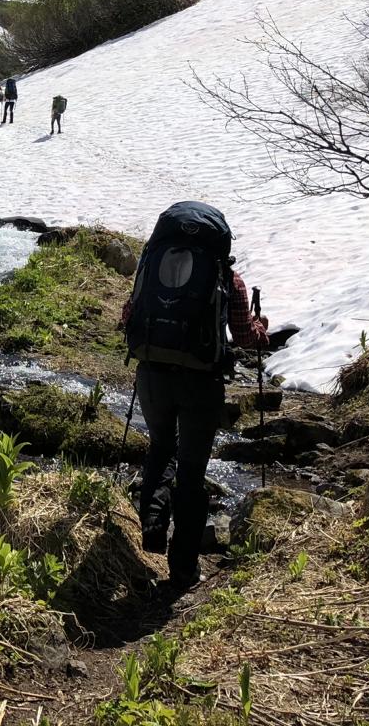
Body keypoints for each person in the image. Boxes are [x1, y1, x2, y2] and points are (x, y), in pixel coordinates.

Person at [121, 202, 268, 589]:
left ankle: (151, 528)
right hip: (201, 382)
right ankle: (183, 567)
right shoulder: (227, 277)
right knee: (191, 472)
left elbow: (127, 317)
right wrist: (261, 329)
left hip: (152, 374)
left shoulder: (150, 265)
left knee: (159, 449)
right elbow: (246, 337)